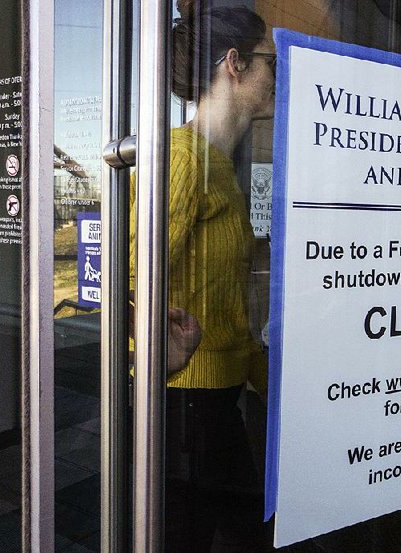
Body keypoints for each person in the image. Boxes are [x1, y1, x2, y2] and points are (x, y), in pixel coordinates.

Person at [130, 4, 275, 551]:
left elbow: (224, 300)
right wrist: (151, 353)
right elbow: (136, 276)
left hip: (213, 400)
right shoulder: (185, 159)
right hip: (187, 408)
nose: (275, 77)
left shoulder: (219, 165)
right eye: (270, 64)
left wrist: (262, 373)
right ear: (234, 64)